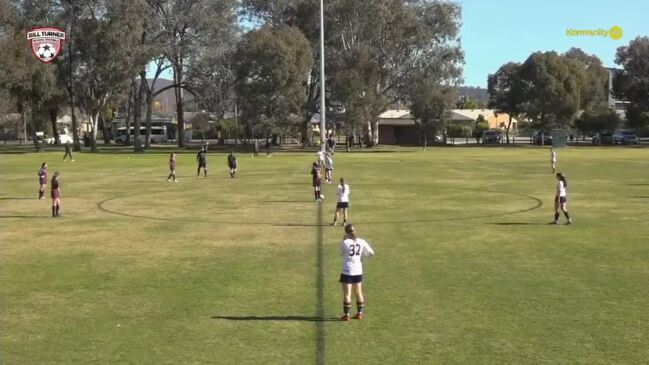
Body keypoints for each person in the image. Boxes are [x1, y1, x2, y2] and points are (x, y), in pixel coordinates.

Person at [339, 224, 374, 321]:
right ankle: (359, 314)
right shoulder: (361, 241)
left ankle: (346, 315)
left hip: (347, 271)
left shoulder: (345, 242)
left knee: (347, 294)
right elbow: (371, 253)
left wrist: (343, 240)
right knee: (359, 293)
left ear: (346, 232)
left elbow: (341, 253)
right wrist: (362, 259)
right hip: (358, 271)